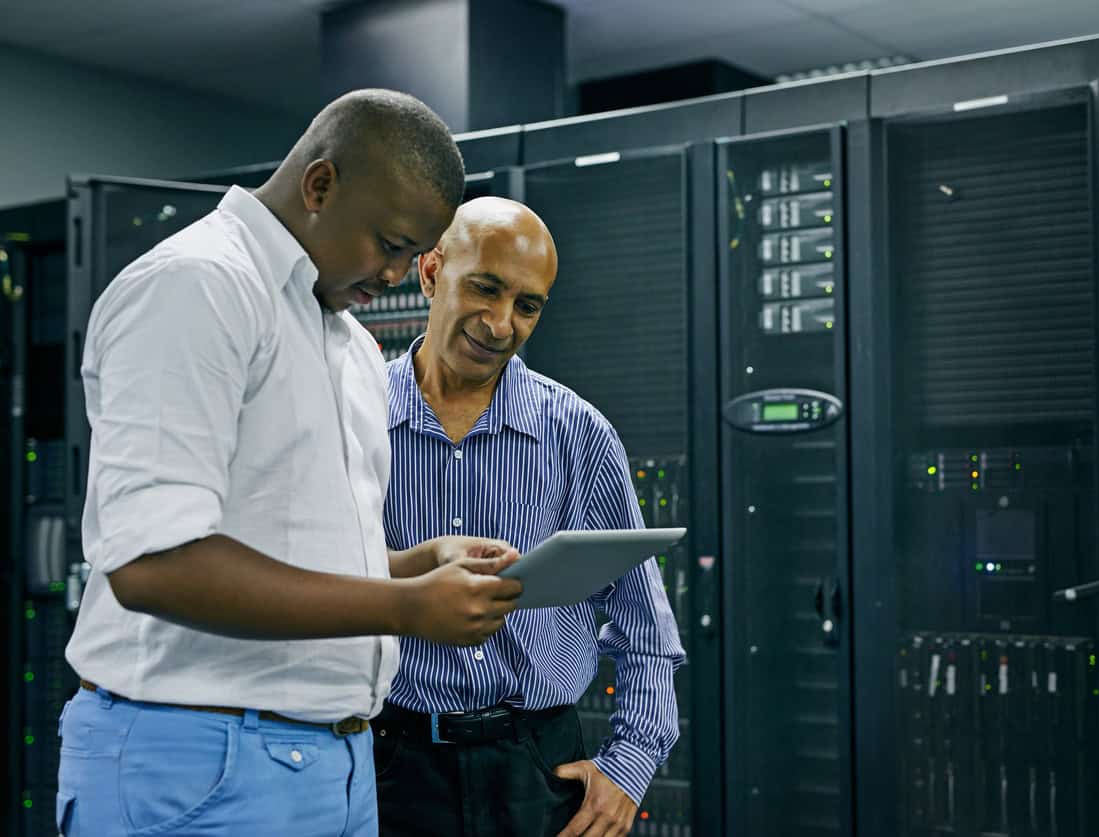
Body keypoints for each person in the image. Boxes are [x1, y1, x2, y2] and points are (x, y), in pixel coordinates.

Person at [56, 89, 524, 837]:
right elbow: (152, 564)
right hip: (196, 761)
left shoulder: (346, 340)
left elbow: (285, 547)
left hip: (336, 762)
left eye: (414, 255)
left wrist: (412, 566)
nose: (397, 274)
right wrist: (406, 607)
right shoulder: (198, 287)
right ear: (320, 185)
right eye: (390, 244)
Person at [373, 196, 686, 837]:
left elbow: (645, 624)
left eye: (527, 306)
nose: (500, 324)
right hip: (389, 762)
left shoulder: (578, 433)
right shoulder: (355, 415)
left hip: (538, 766)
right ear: (431, 272)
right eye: (485, 289)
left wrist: (630, 764)